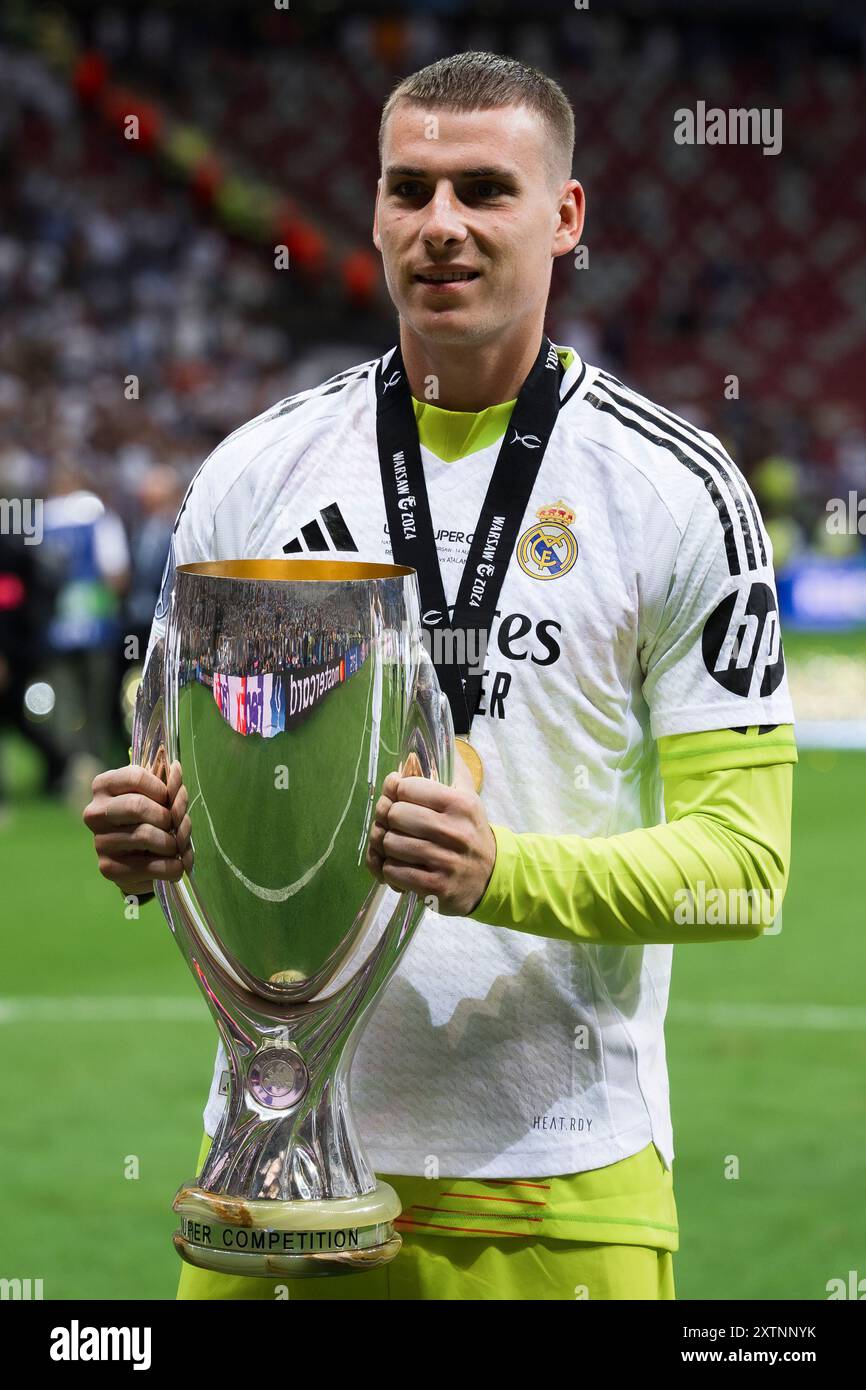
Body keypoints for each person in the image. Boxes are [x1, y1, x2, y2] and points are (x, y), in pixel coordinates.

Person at [83, 51, 796, 1301]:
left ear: (563, 217)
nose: (441, 227)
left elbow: (745, 872)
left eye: (484, 190)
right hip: (270, 1174)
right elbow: (165, 768)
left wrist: (498, 871)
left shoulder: (676, 492)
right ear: (372, 208)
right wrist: (144, 830)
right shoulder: (257, 471)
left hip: (560, 1197)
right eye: (409, 190)